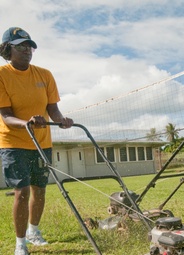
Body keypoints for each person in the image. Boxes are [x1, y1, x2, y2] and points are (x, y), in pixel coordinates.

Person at [0, 27, 74, 255]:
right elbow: (5, 114)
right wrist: (27, 123)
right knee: (21, 192)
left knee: (39, 190)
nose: (27, 50)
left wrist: (62, 120)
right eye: (21, 46)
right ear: (7, 49)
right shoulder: (2, 75)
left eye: (29, 46)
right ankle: (20, 244)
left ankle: (34, 231)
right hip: (13, 142)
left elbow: (53, 108)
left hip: (41, 142)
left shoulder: (44, 74)